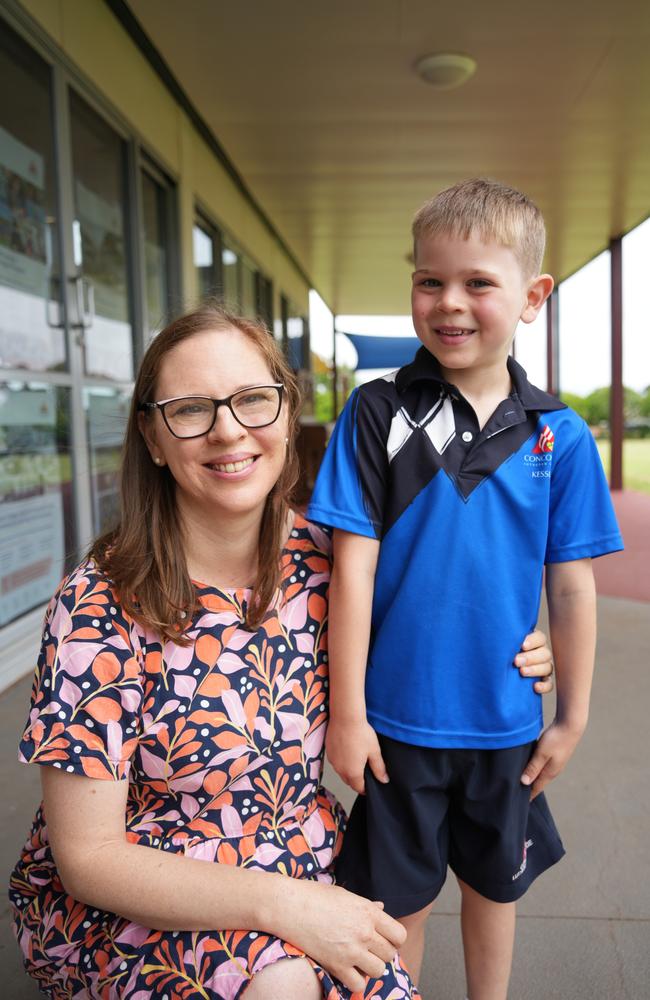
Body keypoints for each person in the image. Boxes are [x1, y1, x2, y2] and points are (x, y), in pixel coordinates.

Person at [9, 303, 554, 1000]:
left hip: (300, 853)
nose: (228, 430)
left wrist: (527, 648)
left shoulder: (332, 566)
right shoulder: (99, 606)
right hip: (141, 890)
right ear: (151, 435)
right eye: (190, 410)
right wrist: (286, 906)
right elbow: (89, 858)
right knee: (282, 984)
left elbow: (445, 623)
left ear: (285, 412)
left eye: (251, 400)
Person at [308, 178, 624, 1000]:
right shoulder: (375, 414)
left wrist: (574, 714)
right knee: (396, 907)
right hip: (395, 722)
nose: (449, 302)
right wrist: (348, 714)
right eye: (429, 280)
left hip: (506, 724)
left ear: (531, 296)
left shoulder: (559, 434)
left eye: (478, 281)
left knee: (496, 889)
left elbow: (572, 586)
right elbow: (354, 568)